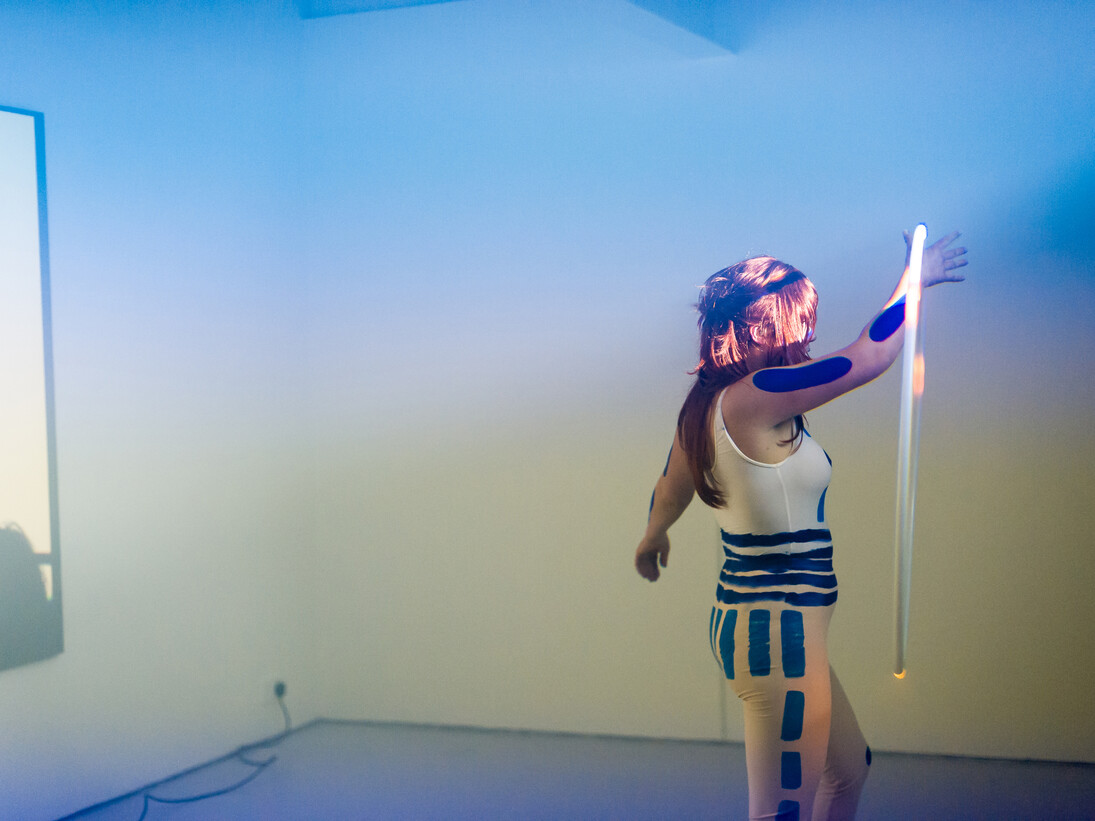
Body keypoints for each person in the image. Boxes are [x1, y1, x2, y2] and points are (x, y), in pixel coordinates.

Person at [634, 231, 967, 821]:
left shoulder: (704, 406)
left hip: (766, 630)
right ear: (767, 328)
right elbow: (868, 357)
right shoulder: (755, 395)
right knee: (780, 812)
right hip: (778, 634)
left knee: (849, 769)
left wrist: (653, 537)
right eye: (798, 323)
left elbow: (669, 489)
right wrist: (914, 281)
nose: (807, 337)